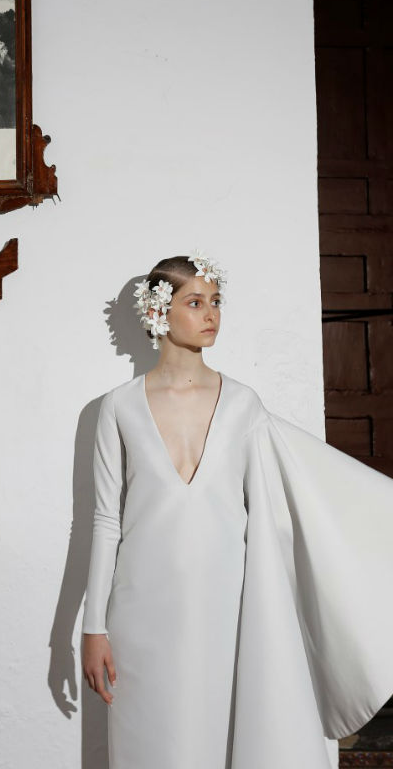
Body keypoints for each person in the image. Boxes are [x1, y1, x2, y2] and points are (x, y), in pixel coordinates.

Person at [81, 251, 393, 768]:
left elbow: (303, 483)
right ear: (158, 312)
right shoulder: (118, 406)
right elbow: (105, 520)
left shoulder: (244, 404)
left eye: (216, 301)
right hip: (141, 609)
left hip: (228, 604)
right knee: (149, 745)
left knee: (223, 742)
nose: (211, 314)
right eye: (195, 302)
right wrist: (93, 627)